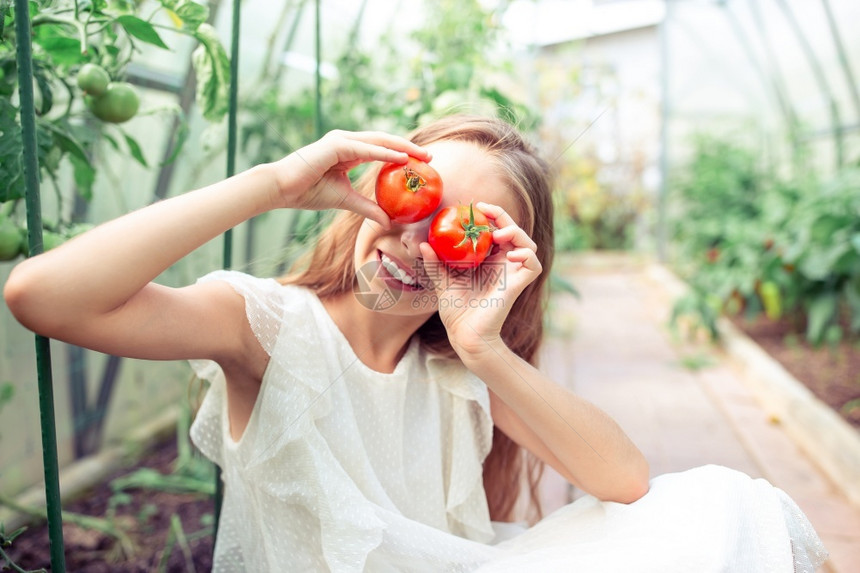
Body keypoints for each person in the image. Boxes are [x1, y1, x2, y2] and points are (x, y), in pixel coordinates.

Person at [4, 115, 828, 572]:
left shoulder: (457, 364)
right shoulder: (267, 329)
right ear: (371, 195)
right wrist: (278, 186)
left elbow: (626, 480)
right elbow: (40, 294)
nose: (418, 245)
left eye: (460, 235)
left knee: (727, 504)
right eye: (415, 203)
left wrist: (485, 344)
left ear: (493, 261)